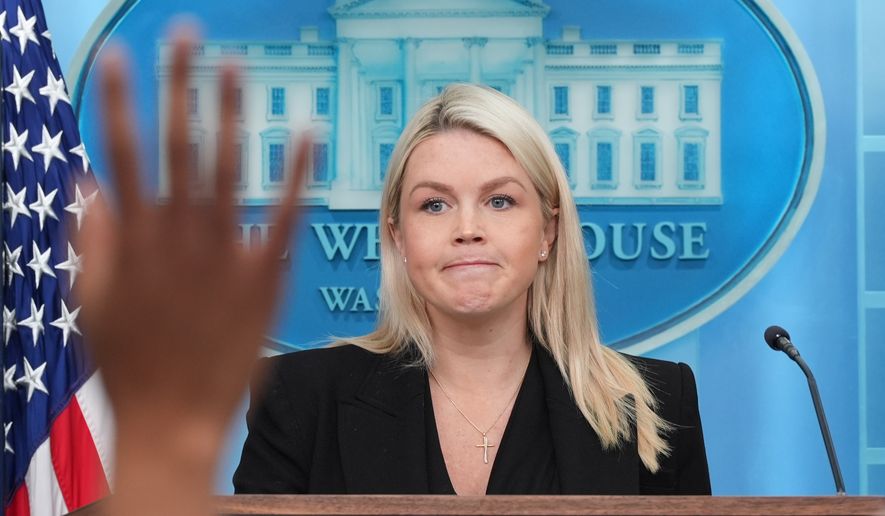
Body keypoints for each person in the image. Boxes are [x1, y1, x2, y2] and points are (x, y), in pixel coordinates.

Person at [232, 64, 711, 496]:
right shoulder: (299, 397)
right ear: (398, 237)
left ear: (548, 229)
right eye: (434, 205)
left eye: (499, 201)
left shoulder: (659, 402)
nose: (467, 230)